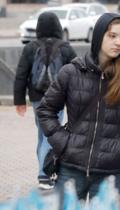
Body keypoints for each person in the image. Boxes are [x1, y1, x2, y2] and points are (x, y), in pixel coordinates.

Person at [37, 13, 120, 210]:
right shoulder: (71, 72)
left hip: (111, 173)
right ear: (99, 36)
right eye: (112, 36)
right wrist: (64, 143)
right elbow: (46, 110)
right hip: (70, 169)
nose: (118, 42)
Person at [13, 12, 76, 190]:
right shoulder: (65, 47)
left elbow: (21, 75)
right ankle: (45, 175)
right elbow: (77, 73)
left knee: (43, 135)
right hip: (58, 99)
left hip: (36, 99)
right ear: (57, 26)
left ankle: (45, 172)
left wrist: (19, 101)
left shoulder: (30, 48)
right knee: (51, 136)